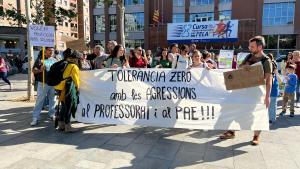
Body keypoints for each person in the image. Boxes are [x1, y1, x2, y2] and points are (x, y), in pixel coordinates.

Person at [219, 36, 273, 146]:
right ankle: (231, 131)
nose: (250, 48)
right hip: (243, 91)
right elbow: (239, 68)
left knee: (258, 113)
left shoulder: (266, 61)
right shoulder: (249, 56)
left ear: (260, 47)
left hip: (257, 93)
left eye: (252, 46)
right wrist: (244, 66)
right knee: (236, 110)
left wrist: (267, 97)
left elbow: (269, 80)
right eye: (249, 46)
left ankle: (256, 136)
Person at [55, 48, 81, 132]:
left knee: (63, 106)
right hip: (67, 88)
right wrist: (78, 89)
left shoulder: (64, 63)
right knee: (68, 107)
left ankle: (61, 124)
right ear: (76, 58)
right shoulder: (73, 66)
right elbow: (76, 80)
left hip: (59, 87)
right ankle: (68, 126)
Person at [31, 47, 57, 126]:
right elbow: (33, 70)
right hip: (43, 83)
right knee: (40, 100)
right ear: (45, 51)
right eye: (49, 50)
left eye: (52, 51)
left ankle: (52, 114)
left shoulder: (54, 60)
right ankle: (35, 117)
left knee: (53, 100)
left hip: (52, 83)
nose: (51, 52)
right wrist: (40, 70)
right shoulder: (40, 59)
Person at [267, 53, 281, 124]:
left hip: (271, 90)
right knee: (272, 105)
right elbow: (279, 80)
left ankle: (271, 118)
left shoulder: (269, 74)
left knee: (270, 105)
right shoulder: (275, 74)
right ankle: (271, 118)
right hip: (273, 90)